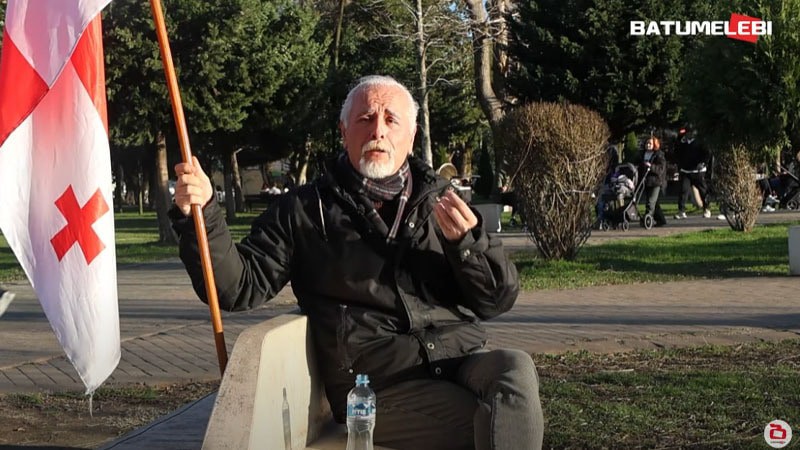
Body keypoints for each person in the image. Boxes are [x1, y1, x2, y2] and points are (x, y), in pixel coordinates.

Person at [169, 75, 544, 450]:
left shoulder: (441, 200)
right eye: (365, 118)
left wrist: (468, 244)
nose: (378, 130)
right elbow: (238, 287)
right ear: (344, 131)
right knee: (492, 421)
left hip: (460, 359)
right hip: (377, 385)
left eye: (391, 120)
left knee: (515, 368)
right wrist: (203, 215)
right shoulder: (305, 210)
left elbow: (496, 300)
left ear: (411, 135)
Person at [673, 127, 711, 219]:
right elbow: (677, 152)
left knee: (703, 191)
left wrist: (703, 163)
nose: (688, 135)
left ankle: (706, 209)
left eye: (690, 133)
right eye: (687, 133)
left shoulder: (700, 143)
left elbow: (707, 154)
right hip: (685, 171)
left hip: (698, 171)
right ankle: (681, 211)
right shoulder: (683, 143)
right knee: (683, 191)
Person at [638, 136, 667, 226]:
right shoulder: (643, 154)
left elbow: (661, 169)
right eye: (647, 143)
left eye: (650, 143)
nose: (648, 145)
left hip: (656, 181)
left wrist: (651, 166)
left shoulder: (659, 155)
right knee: (654, 202)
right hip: (646, 181)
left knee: (650, 202)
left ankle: (648, 218)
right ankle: (661, 220)